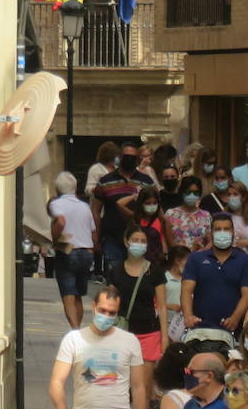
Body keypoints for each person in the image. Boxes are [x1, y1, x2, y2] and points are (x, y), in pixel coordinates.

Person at [50, 287, 148, 409]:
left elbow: (139, 387)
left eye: (112, 313)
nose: (107, 316)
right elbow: (56, 381)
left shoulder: (130, 341)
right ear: (93, 307)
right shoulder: (74, 339)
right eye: (103, 310)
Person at [108, 228, 168, 387]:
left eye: (143, 241)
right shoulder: (116, 270)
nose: (139, 244)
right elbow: (109, 303)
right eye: (135, 240)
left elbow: (162, 307)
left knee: (143, 385)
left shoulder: (155, 271)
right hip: (122, 332)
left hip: (149, 332)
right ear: (126, 241)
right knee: (121, 385)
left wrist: (164, 337)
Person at [181, 215, 248, 333]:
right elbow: (186, 290)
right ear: (211, 233)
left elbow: (247, 295)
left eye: (226, 229)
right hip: (200, 328)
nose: (222, 233)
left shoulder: (245, 260)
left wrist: (235, 318)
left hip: (232, 329)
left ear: (233, 232)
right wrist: (188, 316)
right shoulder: (195, 258)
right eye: (218, 229)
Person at [49, 171, 99, 329]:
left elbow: (60, 221)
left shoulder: (56, 204)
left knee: (68, 294)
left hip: (68, 251)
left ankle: (75, 330)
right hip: (86, 253)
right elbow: (93, 231)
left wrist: (55, 237)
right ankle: (78, 328)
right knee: (78, 295)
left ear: (57, 189)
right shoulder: (85, 206)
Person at [92, 140, 152, 269]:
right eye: (126, 157)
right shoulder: (105, 181)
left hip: (139, 238)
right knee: (114, 276)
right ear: (120, 157)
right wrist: (95, 235)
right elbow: (96, 210)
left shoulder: (146, 181)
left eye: (132, 157)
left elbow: (155, 208)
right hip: (112, 238)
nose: (129, 159)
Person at [163, 175, 212, 252]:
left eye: (195, 193)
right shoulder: (170, 214)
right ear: (181, 192)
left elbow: (210, 242)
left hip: (199, 259)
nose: (191, 195)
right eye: (188, 192)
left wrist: (203, 250)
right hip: (178, 260)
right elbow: (170, 243)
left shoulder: (206, 215)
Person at [133, 186, 170, 266]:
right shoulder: (136, 219)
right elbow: (120, 204)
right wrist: (134, 196)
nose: (152, 206)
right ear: (141, 203)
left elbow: (162, 239)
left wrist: (165, 255)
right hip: (139, 258)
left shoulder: (160, 219)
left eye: (154, 203)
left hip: (156, 260)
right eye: (148, 203)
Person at [162, 246, 191, 341]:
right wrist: (170, 306)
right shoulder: (164, 279)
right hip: (169, 326)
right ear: (178, 261)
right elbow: (155, 303)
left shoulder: (191, 280)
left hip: (188, 326)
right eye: (188, 260)